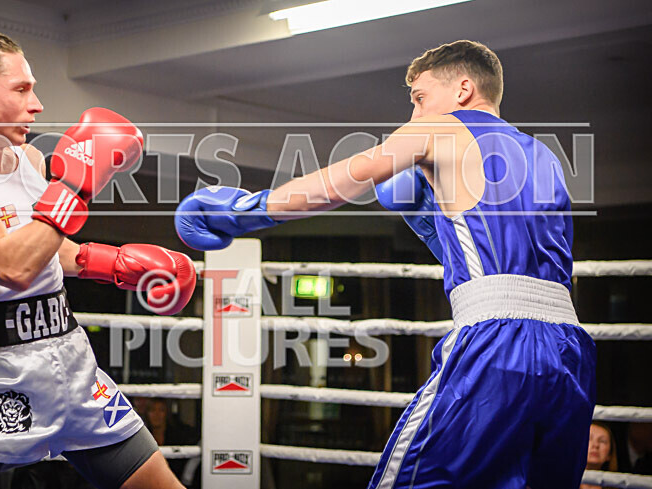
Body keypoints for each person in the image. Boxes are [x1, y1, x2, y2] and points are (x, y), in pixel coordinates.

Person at [175, 40, 596, 489]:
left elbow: (338, 183)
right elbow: (510, 268)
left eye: (420, 98)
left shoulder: (438, 130)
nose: (414, 114)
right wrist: (435, 230)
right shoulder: (545, 157)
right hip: (570, 353)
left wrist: (249, 210)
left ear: (463, 89)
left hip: (494, 344)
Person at [0, 29, 196, 489]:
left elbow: (45, 248)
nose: (36, 105)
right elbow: (10, 265)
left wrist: (113, 263)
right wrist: (77, 185)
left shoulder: (28, 159)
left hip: (73, 367)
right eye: (21, 89)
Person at [580, 421, 618, 489]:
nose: (595, 445)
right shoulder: (562, 482)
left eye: (602, 441)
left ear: (609, 454)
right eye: (589, 438)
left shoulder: (617, 485)